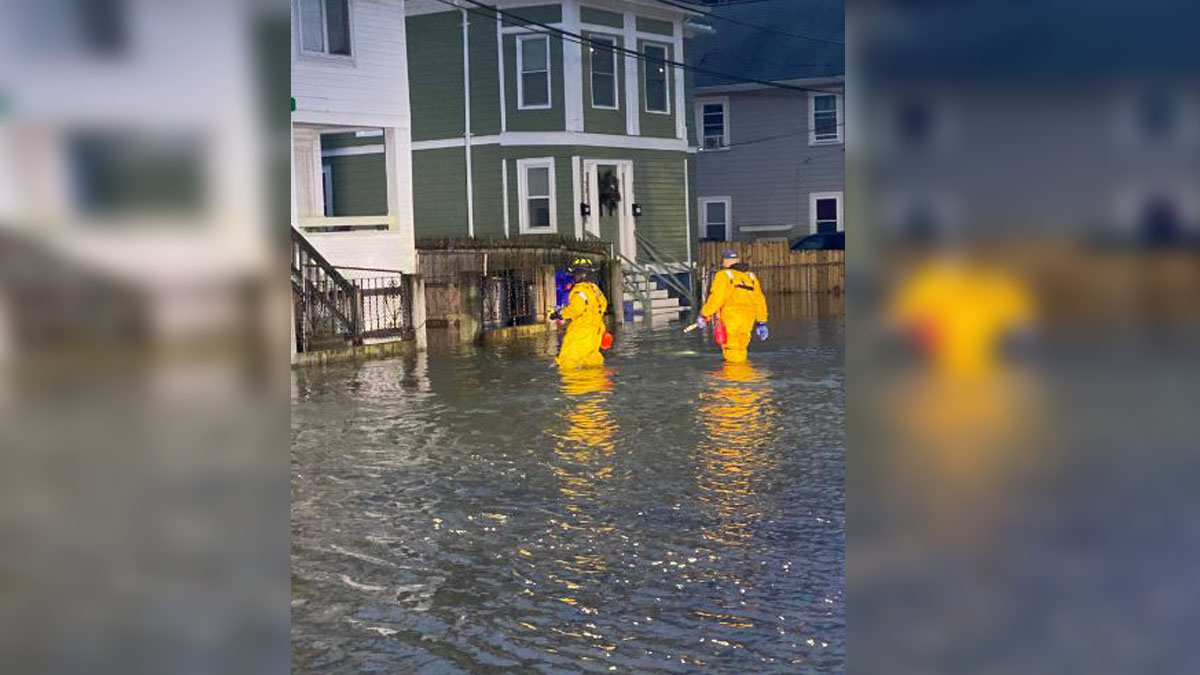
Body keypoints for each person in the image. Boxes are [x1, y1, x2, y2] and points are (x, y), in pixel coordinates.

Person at [697, 249, 769, 363]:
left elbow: (716, 299)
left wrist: (705, 315)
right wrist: (761, 322)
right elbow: (759, 300)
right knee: (741, 349)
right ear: (737, 260)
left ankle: (735, 378)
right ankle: (745, 376)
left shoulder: (723, 275)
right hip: (748, 319)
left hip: (731, 318)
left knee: (731, 351)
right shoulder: (751, 277)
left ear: (725, 261)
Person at [550, 258, 608, 369]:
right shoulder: (595, 289)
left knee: (568, 361)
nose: (574, 277)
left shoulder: (579, 290)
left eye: (575, 274)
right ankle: (595, 384)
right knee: (592, 361)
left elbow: (576, 310)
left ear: (581, 274)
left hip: (581, 330)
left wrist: (559, 314)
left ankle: (575, 385)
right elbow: (603, 305)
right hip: (597, 331)